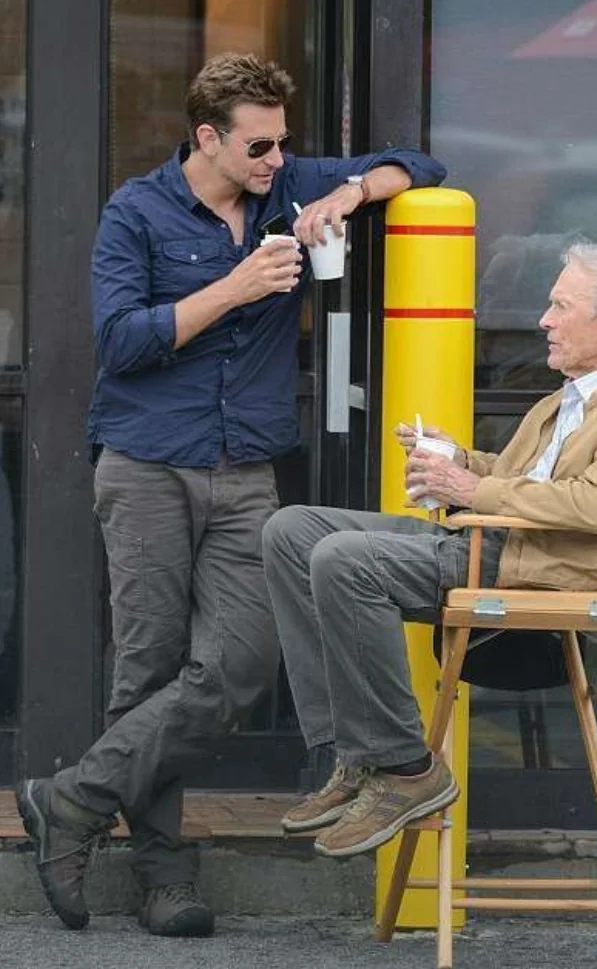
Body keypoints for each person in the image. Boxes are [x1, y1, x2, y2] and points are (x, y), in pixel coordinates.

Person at [15, 52, 446, 936]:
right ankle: (164, 876)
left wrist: (352, 196)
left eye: (284, 143)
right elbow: (124, 341)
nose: (278, 160)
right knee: (147, 671)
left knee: (245, 660)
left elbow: (422, 163)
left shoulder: (285, 183)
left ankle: (71, 800)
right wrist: (239, 286)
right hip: (146, 464)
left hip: (247, 470)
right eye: (259, 145)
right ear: (206, 138)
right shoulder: (135, 212)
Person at [262, 235, 597, 859]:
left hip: (544, 567)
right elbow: (526, 480)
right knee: (291, 531)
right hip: (497, 545)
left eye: (559, 305)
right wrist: (456, 458)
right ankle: (350, 757)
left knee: (343, 562)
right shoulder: (568, 396)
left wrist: (470, 485)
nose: (542, 320)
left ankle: (406, 768)